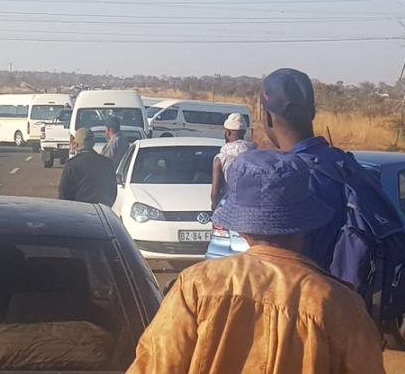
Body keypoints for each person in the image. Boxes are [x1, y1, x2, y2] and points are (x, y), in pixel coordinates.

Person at [126, 150, 386, 374]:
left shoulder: (196, 286)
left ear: (243, 229)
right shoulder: (338, 303)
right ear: (306, 224)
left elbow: (155, 365)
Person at [58, 128, 118, 205]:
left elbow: (63, 194)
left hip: (78, 212)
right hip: (101, 211)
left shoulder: (72, 165)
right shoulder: (107, 163)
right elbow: (113, 191)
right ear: (93, 143)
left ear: (76, 144)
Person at [210, 113, 256, 209]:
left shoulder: (221, 158)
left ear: (228, 133)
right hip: (252, 208)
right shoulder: (256, 154)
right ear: (244, 133)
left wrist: (216, 210)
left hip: (230, 209)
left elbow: (215, 193)